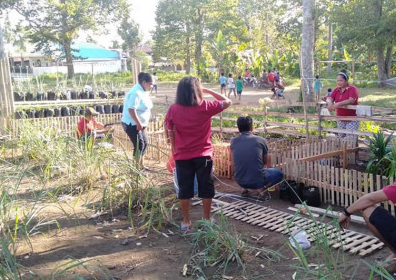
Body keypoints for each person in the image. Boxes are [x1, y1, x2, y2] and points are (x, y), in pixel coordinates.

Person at [164, 76, 232, 232]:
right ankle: (207, 218)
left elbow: (169, 130)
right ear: (197, 90)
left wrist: (174, 148)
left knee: (185, 188)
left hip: (182, 156)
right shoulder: (205, 106)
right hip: (204, 155)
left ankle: (186, 222)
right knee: (206, 186)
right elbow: (227, 101)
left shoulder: (174, 109)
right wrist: (207, 90)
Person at [230, 116, 284, 201]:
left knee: (244, 169)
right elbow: (265, 162)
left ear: (238, 128)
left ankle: (244, 188)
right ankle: (261, 189)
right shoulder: (261, 140)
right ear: (252, 127)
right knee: (279, 174)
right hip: (257, 180)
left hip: (239, 180)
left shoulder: (233, 141)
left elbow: (234, 162)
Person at [121, 72, 154, 169]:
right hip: (132, 123)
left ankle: (141, 165)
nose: (152, 86)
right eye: (151, 84)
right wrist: (138, 123)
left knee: (145, 143)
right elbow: (131, 109)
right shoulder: (135, 93)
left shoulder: (143, 91)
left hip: (140, 123)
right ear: (144, 82)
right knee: (139, 145)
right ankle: (136, 168)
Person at [327, 70, 359, 148]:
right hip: (340, 118)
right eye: (337, 80)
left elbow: (352, 100)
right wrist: (330, 103)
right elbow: (329, 97)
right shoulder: (337, 90)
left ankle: (352, 156)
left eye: (341, 80)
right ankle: (343, 156)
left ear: (346, 80)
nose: (339, 82)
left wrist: (338, 104)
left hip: (351, 119)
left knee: (350, 139)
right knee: (341, 138)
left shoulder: (352, 89)